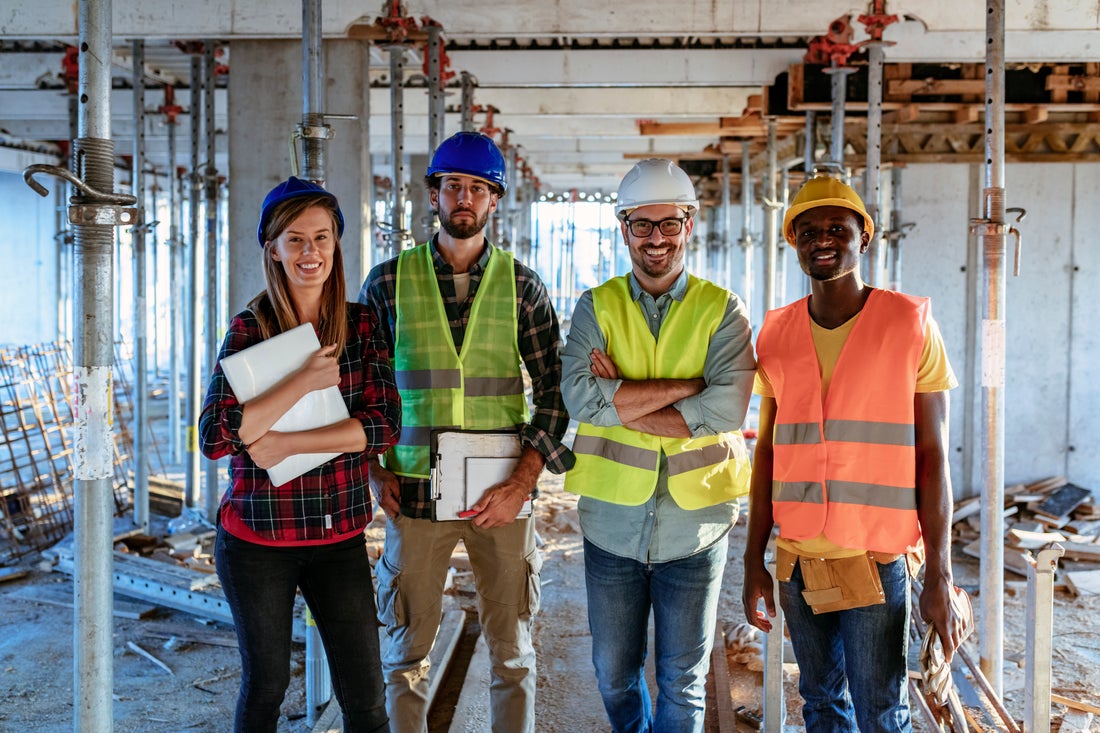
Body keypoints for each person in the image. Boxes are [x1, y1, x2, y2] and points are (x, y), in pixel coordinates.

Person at [357, 130, 573, 733]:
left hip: (500, 494)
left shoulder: (523, 286)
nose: (465, 198)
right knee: (405, 658)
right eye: (454, 185)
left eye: (479, 188)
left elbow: (556, 391)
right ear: (433, 194)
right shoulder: (387, 283)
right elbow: (359, 390)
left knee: (512, 652)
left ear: (495, 201)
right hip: (413, 493)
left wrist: (524, 483)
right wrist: (373, 469)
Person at [741, 174, 967, 732]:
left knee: (881, 713)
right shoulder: (775, 333)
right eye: (809, 230)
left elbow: (933, 454)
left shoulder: (909, 324)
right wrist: (753, 559)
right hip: (797, 558)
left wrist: (938, 569)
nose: (823, 239)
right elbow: (767, 452)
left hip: (876, 556)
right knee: (819, 705)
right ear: (793, 242)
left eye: (837, 228)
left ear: (863, 238)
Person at [561, 158, 756, 733]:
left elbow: (727, 409)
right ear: (623, 228)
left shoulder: (724, 310)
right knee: (613, 673)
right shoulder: (594, 307)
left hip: (695, 526)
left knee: (682, 678)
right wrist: (688, 388)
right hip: (612, 524)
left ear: (689, 224)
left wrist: (620, 395)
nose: (656, 239)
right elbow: (580, 401)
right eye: (642, 225)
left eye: (669, 224)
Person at [200, 177, 399, 733]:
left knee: (365, 694)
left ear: (337, 245)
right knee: (265, 687)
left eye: (321, 238)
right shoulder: (249, 329)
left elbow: (383, 427)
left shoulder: (362, 325)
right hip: (257, 541)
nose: (310, 253)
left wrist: (282, 441)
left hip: (338, 537)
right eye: (295, 240)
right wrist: (304, 379)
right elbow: (216, 437)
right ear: (273, 249)